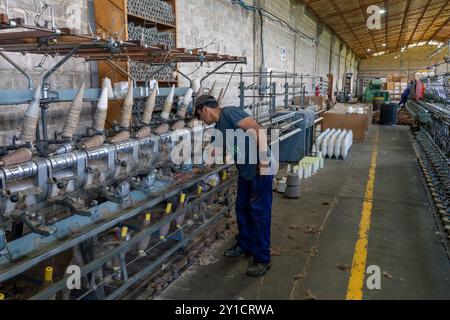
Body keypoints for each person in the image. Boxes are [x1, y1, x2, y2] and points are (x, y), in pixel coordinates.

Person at [194, 95, 275, 277]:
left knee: (259, 213)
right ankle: (245, 244)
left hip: (259, 169)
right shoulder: (220, 127)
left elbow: (258, 131)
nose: (202, 121)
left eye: (200, 116)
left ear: (205, 109)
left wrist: (263, 164)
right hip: (246, 172)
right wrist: (201, 168)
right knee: (242, 208)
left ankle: (263, 258)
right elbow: (216, 151)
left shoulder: (229, 113)